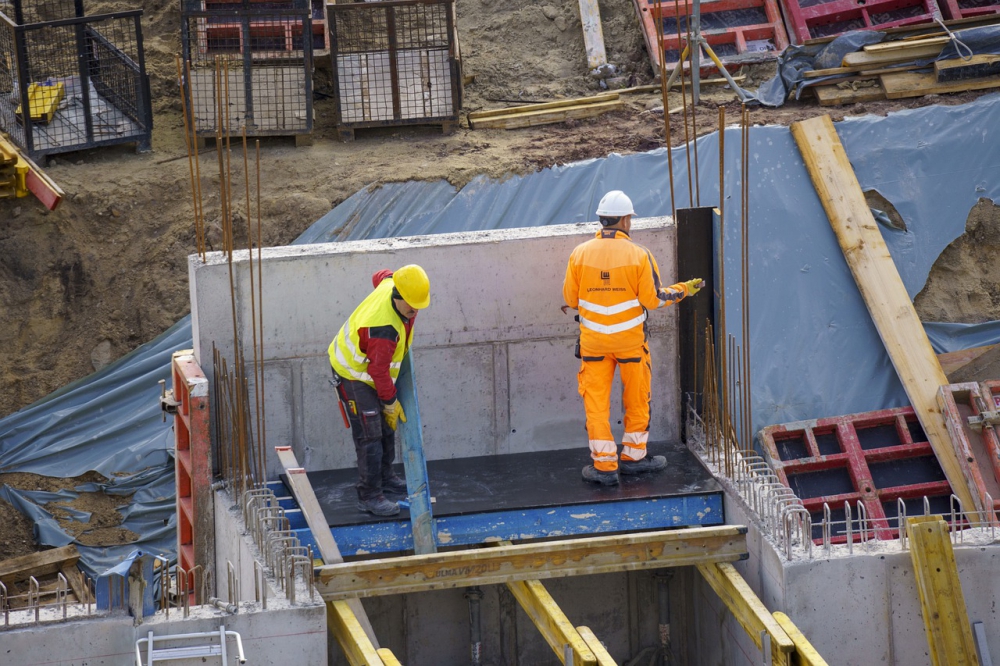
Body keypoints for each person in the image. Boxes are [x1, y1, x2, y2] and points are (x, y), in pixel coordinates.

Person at [562, 191, 703, 486]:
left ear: (602, 220)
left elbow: (570, 299)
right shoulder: (639, 255)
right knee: (637, 400)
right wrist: (684, 290)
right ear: (626, 220)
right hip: (630, 345)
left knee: (596, 405)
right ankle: (634, 459)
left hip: (594, 345)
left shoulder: (579, 253)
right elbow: (653, 300)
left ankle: (604, 467)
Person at [329, 264, 431, 516]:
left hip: (371, 370)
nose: (415, 309)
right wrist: (389, 402)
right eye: (411, 304)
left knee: (387, 428)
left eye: (419, 304)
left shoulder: (391, 282)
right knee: (370, 433)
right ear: (399, 296)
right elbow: (378, 371)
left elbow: (380, 274)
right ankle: (369, 495)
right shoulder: (382, 329)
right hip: (354, 374)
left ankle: (386, 478)